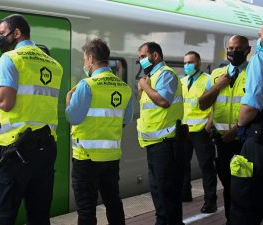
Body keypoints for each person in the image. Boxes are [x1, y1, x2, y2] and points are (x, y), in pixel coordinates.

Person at [0, 14, 63, 225]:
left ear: (16, 33)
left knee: (3, 215)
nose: (0, 38)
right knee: (39, 216)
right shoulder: (54, 64)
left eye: (2, 33)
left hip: (15, 151)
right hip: (46, 150)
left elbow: (5, 102)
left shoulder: (10, 58)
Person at [65, 38, 132, 225]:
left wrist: (68, 101)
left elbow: (73, 117)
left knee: (86, 209)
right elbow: (125, 120)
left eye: (84, 58)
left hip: (86, 158)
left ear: (91, 57)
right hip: (111, 158)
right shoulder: (124, 88)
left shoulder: (87, 85)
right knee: (113, 201)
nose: (84, 63)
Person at [198, 35, 250, 224]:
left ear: (248, 50)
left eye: (238, 49)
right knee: (228, 185)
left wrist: (236, 130)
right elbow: (202, 103)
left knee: (246, 185)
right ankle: (231, 220)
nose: (233, 52)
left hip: (246, 140)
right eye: (230, 48)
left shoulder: (254, 72)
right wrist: (218, 86)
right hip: (222, 141)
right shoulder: (216, 74)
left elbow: (257, 107)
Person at [137, 42, 184, 225]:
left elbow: (164, 101)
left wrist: (144, 86)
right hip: (155, 142)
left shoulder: (165, 74)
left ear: (155, 56)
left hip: (167, 143)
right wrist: (142, 89)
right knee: (158, 189)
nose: (140, 60)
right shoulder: (152, 76)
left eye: (142, 56)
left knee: (167, 191)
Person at [230, 27, 263, 225]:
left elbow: (251, 106)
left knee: (245, 200)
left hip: (258, 139)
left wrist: (240, 124)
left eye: (260, 36)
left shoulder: (259, 60)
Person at [181, 51, 217, 213]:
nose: (187, 65)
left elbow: (216, 105)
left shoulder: (208, 80)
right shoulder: (182, 82)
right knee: (182, 164)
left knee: (206, 166)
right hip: (184, 129)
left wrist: (208, 126)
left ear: (199, 63)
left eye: (191, 62)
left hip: (201, 131)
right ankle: (185, 194)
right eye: (185, 63)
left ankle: (210, 202)